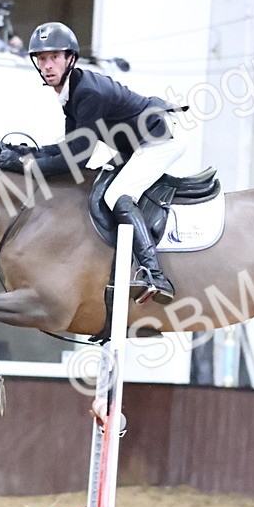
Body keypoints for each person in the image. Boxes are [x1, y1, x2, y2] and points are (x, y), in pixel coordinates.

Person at [18, 21, 184, 305]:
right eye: (42, 59)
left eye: (54, 57)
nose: (47, 66)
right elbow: (70, 146)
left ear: (70, 58)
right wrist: (33, 153)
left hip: (159, 138)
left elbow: (78, 159)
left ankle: (155, 275)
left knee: (117, 195)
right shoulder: (72, 92)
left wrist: (29, 168)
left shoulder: (88, 93)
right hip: (135, 143)